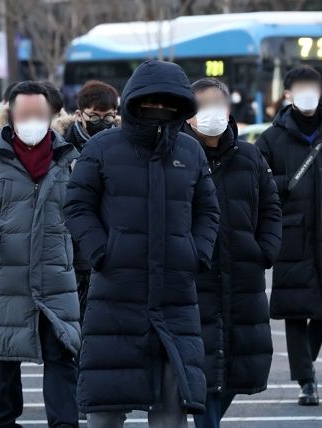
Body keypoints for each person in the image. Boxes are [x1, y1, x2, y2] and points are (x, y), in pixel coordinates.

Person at [64, 60, 220, 427]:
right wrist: (102, 252)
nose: (159, 110)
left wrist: (196, 252)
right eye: (151, 101)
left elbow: (208, 210)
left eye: (169, 103)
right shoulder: (103, 147)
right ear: (134, 101)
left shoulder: (190, 151)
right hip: (115, 293)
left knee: (171, 409)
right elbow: (77, 205)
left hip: (174, 296)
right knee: (105, 409)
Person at [0, 81, 80, 428]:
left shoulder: (70, 161)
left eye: (38, 114)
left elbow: (87, 214)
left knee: (62, 355)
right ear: (11, 115)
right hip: (4, 278)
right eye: (25, 114)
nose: (32, 120)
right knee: (3, 361)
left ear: (51, 115)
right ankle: (5, 423)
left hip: (57, 279)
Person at [256, 65, 322, 406]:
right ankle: (307, 380)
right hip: (291, 234)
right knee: (295, 311)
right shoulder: (271, 138)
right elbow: (260, 186)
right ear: (286, 94)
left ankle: (306, 365)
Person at [182, 77, 282, 428]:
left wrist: (264, 250)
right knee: (203, 371)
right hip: (197, 276)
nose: (211, 113)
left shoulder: (250, 155)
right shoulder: (179, 155)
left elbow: (271, 208)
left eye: (217, 104)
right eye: (202, 105)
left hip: (243, 275)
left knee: (237, 368)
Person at [52, 80, 119, 318]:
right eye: (94, 117)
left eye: (108, 117)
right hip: (68, 246)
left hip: (110, 245)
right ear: (79, 115)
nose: (102, 123)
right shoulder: (59, 146)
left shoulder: (123, 145)